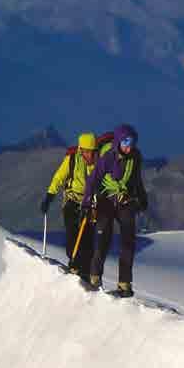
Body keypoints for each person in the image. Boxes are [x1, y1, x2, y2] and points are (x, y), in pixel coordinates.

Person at [81, 124, 148, 297]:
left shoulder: (136, 157)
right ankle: (95, 277)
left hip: (125, 200)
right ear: (118, 141)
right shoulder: (108, 158)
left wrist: (142, 198)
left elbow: (137, 180)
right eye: (125, 141)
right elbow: (93, 180)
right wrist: (87, 200)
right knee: (103, 238)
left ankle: (124, 283)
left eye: (132, 142)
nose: (129, 145)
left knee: (128, 241)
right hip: (106, 200)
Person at [40, 133, 101, 280]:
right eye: (87, 151)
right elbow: (59, 178)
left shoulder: (100, 163)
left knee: (87, 239)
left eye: (92, 151)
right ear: (81, 150)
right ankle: (74, 265)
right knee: (72, 234)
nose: (89, 155)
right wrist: (49, 196)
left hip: (91, 204)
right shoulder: (72, 160)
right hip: (72, 201)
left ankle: (85, 272)